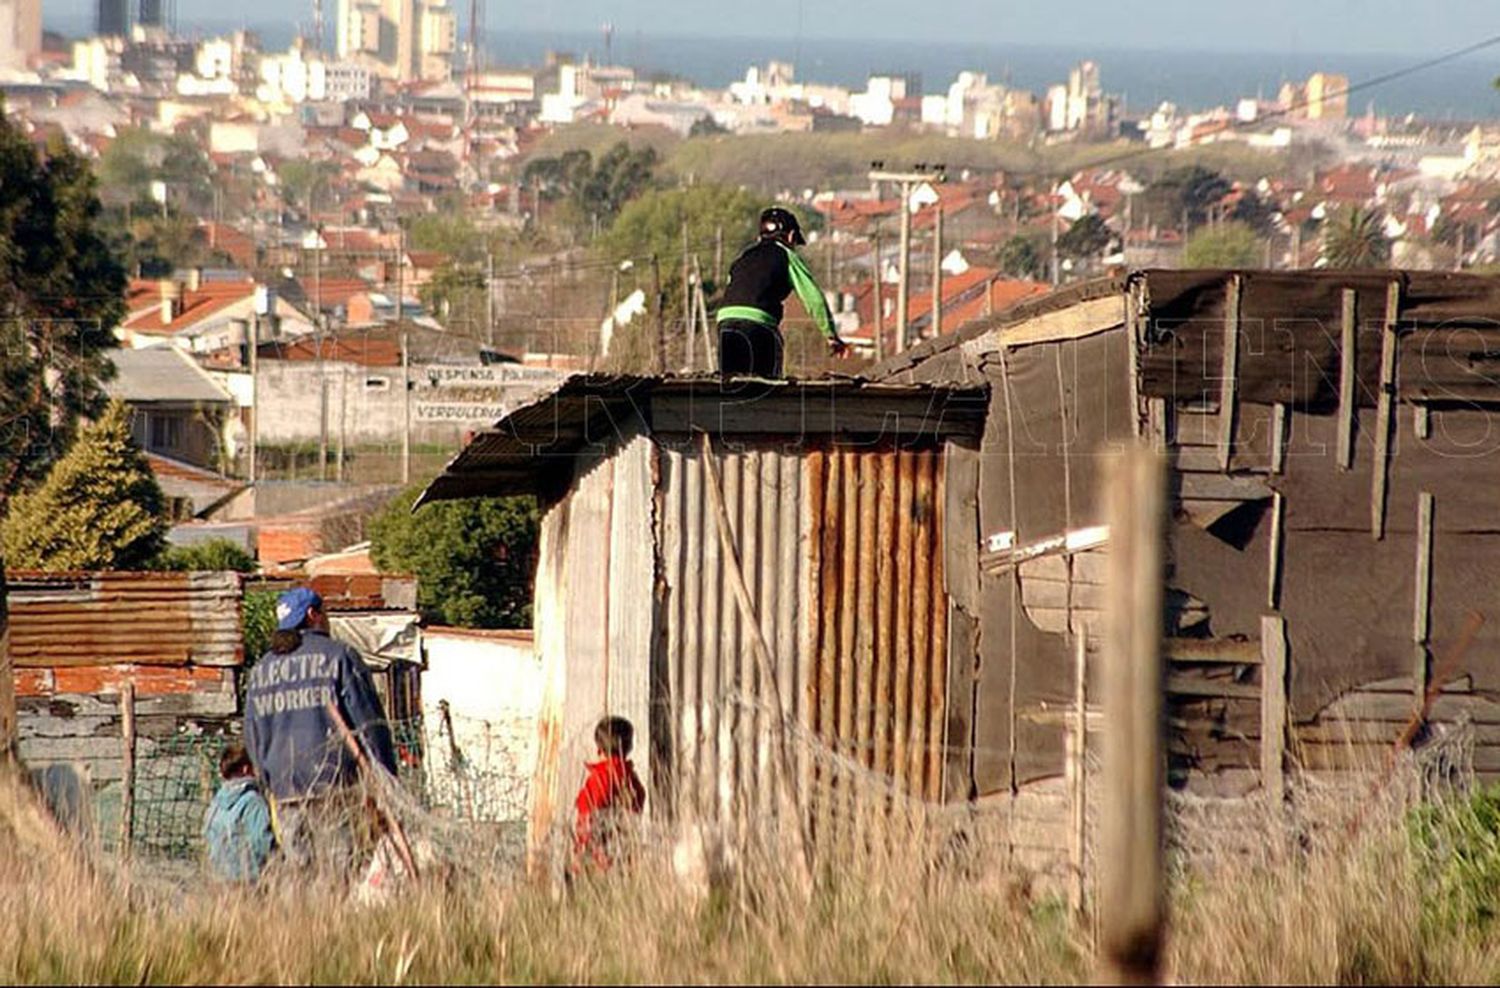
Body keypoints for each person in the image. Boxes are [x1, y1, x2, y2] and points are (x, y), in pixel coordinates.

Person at [243, 586, 397, 874]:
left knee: (302, 873)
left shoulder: (261, 670)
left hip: (285, 790)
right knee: (344, 871)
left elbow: (253, 736)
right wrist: (387, 777)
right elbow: (370, 724)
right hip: (336, 786)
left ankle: (306, 920)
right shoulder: (339, 656)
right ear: (313, 615)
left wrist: (268, 782)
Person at [715, 206, 849, 378]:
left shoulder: (742, 258)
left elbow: (732, 290)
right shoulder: (785, 255)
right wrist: (831, 335)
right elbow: (813, 298)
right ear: (791, 236)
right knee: (766, 388)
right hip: (758, 326)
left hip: (725, 322)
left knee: (730, 385)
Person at [572, 716, 646, 876]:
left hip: (598, 861)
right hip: (626, 858)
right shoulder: (633, 781)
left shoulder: (599, 779)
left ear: (599, 749)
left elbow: (588, 821)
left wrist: (580, 856)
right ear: (629, 747)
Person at [203, 743, 275, 883]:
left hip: (220, 877)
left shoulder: (215, 804)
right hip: (249, 878)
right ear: (246, 768)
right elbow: (262, 841)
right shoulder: (252, 802)